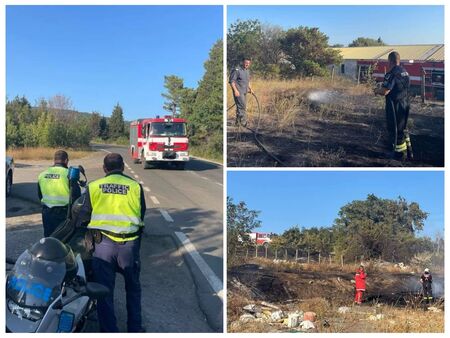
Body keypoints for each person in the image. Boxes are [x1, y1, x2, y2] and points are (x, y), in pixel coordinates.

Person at [76, 153, 146, 332]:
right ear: (122, 167)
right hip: (129, 247)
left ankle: (109, 331)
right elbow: (141, 215)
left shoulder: (94, 186)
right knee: (133, 290)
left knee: (104, 292)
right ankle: (135, 330)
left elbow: (83, 216)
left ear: (104, 168)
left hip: (103, 247)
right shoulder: (135, 187)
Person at [374, 51, 412, 161]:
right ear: (398, 61)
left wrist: (376, 90)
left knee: (394, 129)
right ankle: (407, 151)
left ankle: (398, 154)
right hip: (405, 104)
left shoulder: (391, 73)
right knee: (402, 128)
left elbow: (385, 91)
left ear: (390, 61)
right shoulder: (405, 72)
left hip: (395, 106)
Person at [38, 150, 80, 237]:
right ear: (66, 161)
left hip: (47, 213)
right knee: (63, 239)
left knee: (49, 237)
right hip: (63, 214)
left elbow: (40, 195)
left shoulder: (42, 174)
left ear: (54, 160)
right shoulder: (69, 175)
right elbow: (76, 195)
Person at [229, 57, 253, 126]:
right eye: (246, 63)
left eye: (248, 63)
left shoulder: (247, 71)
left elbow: (248, 81)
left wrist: (250, 88)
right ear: (243, 62)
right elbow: (232, 81)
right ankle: (243, 123)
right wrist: (235, 91)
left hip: (245, 91)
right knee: (242, 106)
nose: (247, 64)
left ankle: (237, 123)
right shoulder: (237, 70)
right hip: (238, 92)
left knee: (240, 107)